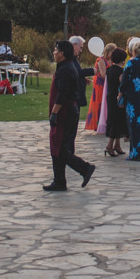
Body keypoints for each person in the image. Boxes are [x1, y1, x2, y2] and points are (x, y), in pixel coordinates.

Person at [44, 39, 94, 191]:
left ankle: (84, 168)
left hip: (65, 112)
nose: (54, 53)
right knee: (57, 146)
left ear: (63, 54)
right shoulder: (67, 66)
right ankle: (59, 180)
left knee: (59, 146)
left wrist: (54, 113)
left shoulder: (66, 69)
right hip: (67, 111)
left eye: (56, 50)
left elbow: (63, 94)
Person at [104, 48, 129, 157]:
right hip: (118, 98)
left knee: (114, 120)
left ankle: (117, 145)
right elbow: (122, 85)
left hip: (110, 97)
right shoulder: (120, 71)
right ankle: (109, 146)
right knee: (117, 121)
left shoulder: (109, 69)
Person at [85, 46, 110, 134]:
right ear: (109, 51)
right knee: (99, 102)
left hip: (107, 83)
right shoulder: (101, 60)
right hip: (100, 84)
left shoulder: (111, 60)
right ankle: (98, 124)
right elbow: (103, 74)